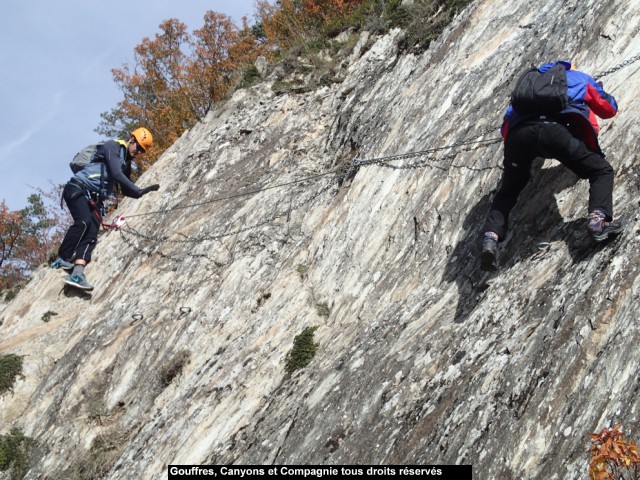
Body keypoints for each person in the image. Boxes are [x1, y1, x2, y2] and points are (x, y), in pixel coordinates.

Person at [480, 60, 622, 272]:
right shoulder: (575, 77)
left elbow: (505, 130)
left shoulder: (528, 87)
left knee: (508, 190)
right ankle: (598, 221)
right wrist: (599, 89)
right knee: (601, 170)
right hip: (553, 132)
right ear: (566, 67)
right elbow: (608, 109)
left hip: (518, 138)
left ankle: (491, 237)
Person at [51, 127, 160, 290]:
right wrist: (136, 189)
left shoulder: (126, 163)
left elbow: (125, 189)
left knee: (92, 234)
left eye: (142, 151)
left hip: (93, 199)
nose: (138, 152)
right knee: (83, 222)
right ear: (131, 139)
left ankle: (78, 272)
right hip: (77, 188)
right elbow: (116, 174)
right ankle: (61, 258)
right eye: (138, 147)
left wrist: (142, 192)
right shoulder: (112, 146)